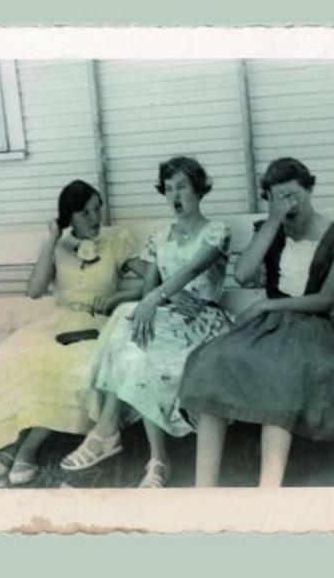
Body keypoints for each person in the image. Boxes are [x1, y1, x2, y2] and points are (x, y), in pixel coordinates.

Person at [178, 157, 334, 487]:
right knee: (214, 360)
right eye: (278, 198)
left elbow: (326, 299)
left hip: (310, 328)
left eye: (293, 195)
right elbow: (243, 274)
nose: (288, 205)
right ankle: (203, 490)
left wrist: (267, 305)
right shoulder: (270, 230)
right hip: (266, 329)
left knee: (283, 374)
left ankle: (269, 489)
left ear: (309, 189)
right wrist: (272, 222)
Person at [0, 180, 144, 485]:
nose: (95, 218)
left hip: (94, 325)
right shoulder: (58, 245)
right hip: (55, 322)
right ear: (69, 216)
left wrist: (120, 296)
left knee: (67, 368)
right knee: (23, 361)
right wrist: (53, 238)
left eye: (97, 209)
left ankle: (26, 448)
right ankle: (12, 443)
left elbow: (153, 278)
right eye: (84, 212)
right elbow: (35, 290)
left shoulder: (116, 240)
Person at [59, 156, 233, 488]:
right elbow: (150, 287)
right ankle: (152, 457)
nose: (175, 195)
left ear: (198, 189)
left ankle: (117, 438)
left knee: (135, 335)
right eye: (168, 189)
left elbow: (193, 269)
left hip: (201, 321)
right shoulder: (159, 236)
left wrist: (158, 296)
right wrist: (160, 297)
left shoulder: (217, 231)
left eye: (182, 187)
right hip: (166, 314)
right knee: (136, 343)